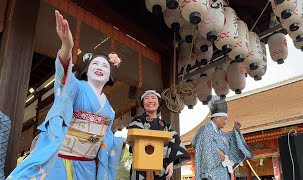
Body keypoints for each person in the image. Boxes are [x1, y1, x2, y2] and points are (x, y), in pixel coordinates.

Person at [7, 10, 123, 180]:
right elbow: (64, 73)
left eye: (105, 66)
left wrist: (120, 143)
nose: (100, 67)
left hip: (88, 166)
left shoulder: (110, 110)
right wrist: (67, 45)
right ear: (86, 70)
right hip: (62, 161)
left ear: (110, 75)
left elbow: (106, 141)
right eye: (95, 64)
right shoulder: (76, 87)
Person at [127, 90, 190, 180]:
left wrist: (170, 162)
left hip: (161, 169)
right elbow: (134, 140)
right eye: (146, 98)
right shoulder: (137, 121)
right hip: (141, 167)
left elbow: (175, 141)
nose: (150, 101)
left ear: (159, 103)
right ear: (143, 104)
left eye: (153, 98)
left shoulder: (166, 125)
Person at [192, 96, 253, 180]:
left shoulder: (220, 133)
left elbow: (230, 140)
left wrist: (236, 130)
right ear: (216, 118)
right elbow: (201, 144)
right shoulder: (206, 129)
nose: (226, 122)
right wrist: (217, 152)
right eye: (224, 119)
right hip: (212, 173)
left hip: (223, 172)